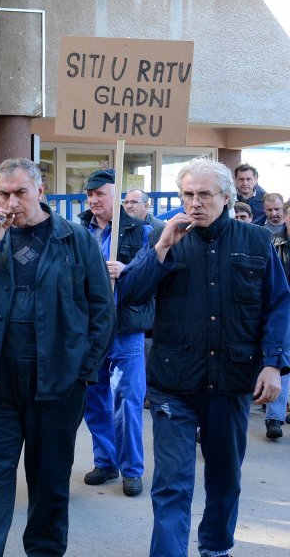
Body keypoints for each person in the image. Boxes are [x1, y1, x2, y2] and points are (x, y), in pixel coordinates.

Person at [0, 158, 115, 556]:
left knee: (50, 482)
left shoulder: (75, 239)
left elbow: (101, 311)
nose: (11, 202)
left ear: (40, 191)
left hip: (57, 383)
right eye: (3, 194)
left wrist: (82, 372)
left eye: (20, 192)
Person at [118, 157, 290, 557]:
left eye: (204, 194)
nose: (194, 202)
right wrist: (159, 249)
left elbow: (278, 306)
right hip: (173, 384)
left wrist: (272, 363)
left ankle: (215, 547)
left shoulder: (255, 241)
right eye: (187, 194)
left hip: (231, 380)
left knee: (225, 478)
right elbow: (133, 295)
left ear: (227, 197)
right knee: (172, 483)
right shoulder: (164, 240)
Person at [79, 170, 154, 497]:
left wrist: (127, 271)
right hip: (90, 331)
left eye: (100, 194)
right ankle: (105, 461)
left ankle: (132, 470)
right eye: (89, 195)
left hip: (126, 329)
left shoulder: (142, 231)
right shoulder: (79, 230)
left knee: (127, 402)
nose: (94, 200)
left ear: (117, 196)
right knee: (93, 401)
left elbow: (155, 273)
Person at [265, 199, 290, 439]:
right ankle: (274, 418)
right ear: (285, 217)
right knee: (281, 361)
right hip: (285, 308)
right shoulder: (274, 243)